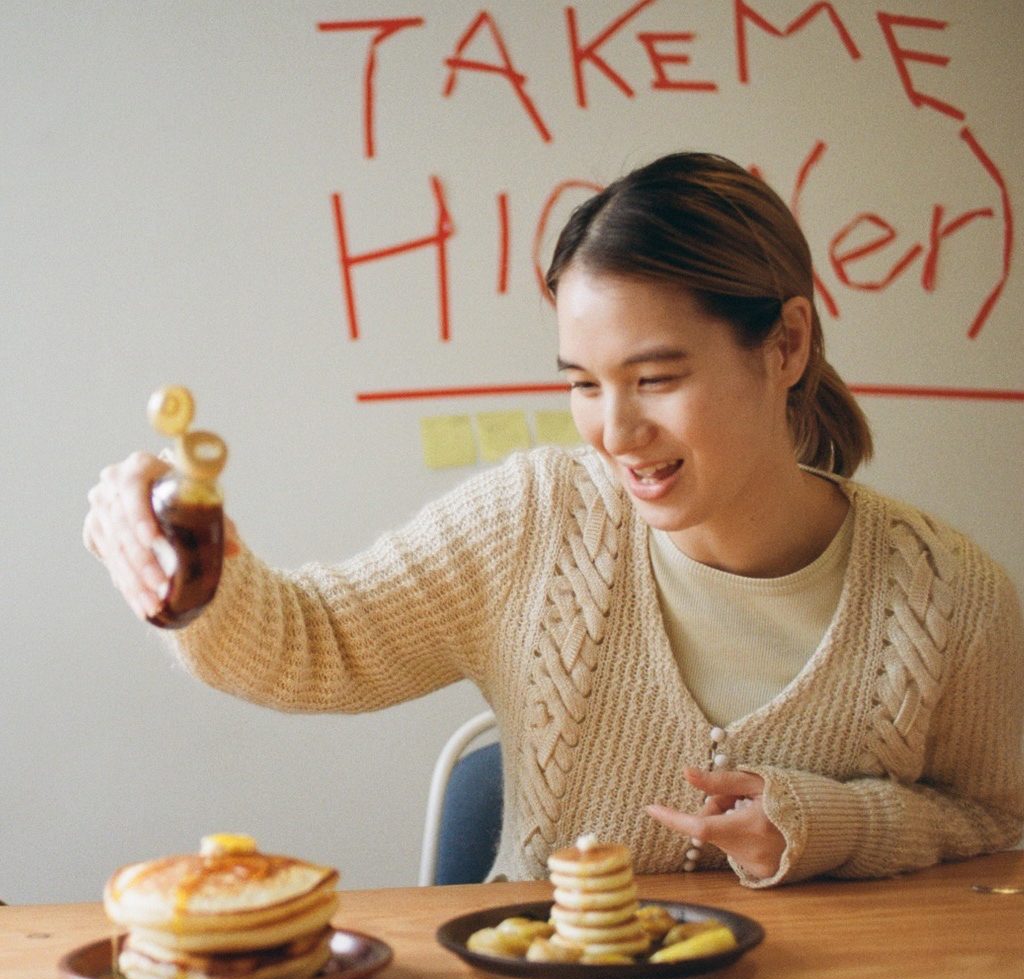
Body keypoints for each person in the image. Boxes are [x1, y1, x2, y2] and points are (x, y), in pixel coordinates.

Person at [83, 152, 1024, 887]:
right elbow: (309, 643)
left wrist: (836, 825)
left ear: (785, 344)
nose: (616, 431)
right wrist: (193, 564)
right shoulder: (535, 519)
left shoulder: (950, 596)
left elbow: (1002, 825)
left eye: (657, 378)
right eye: (582, 384)